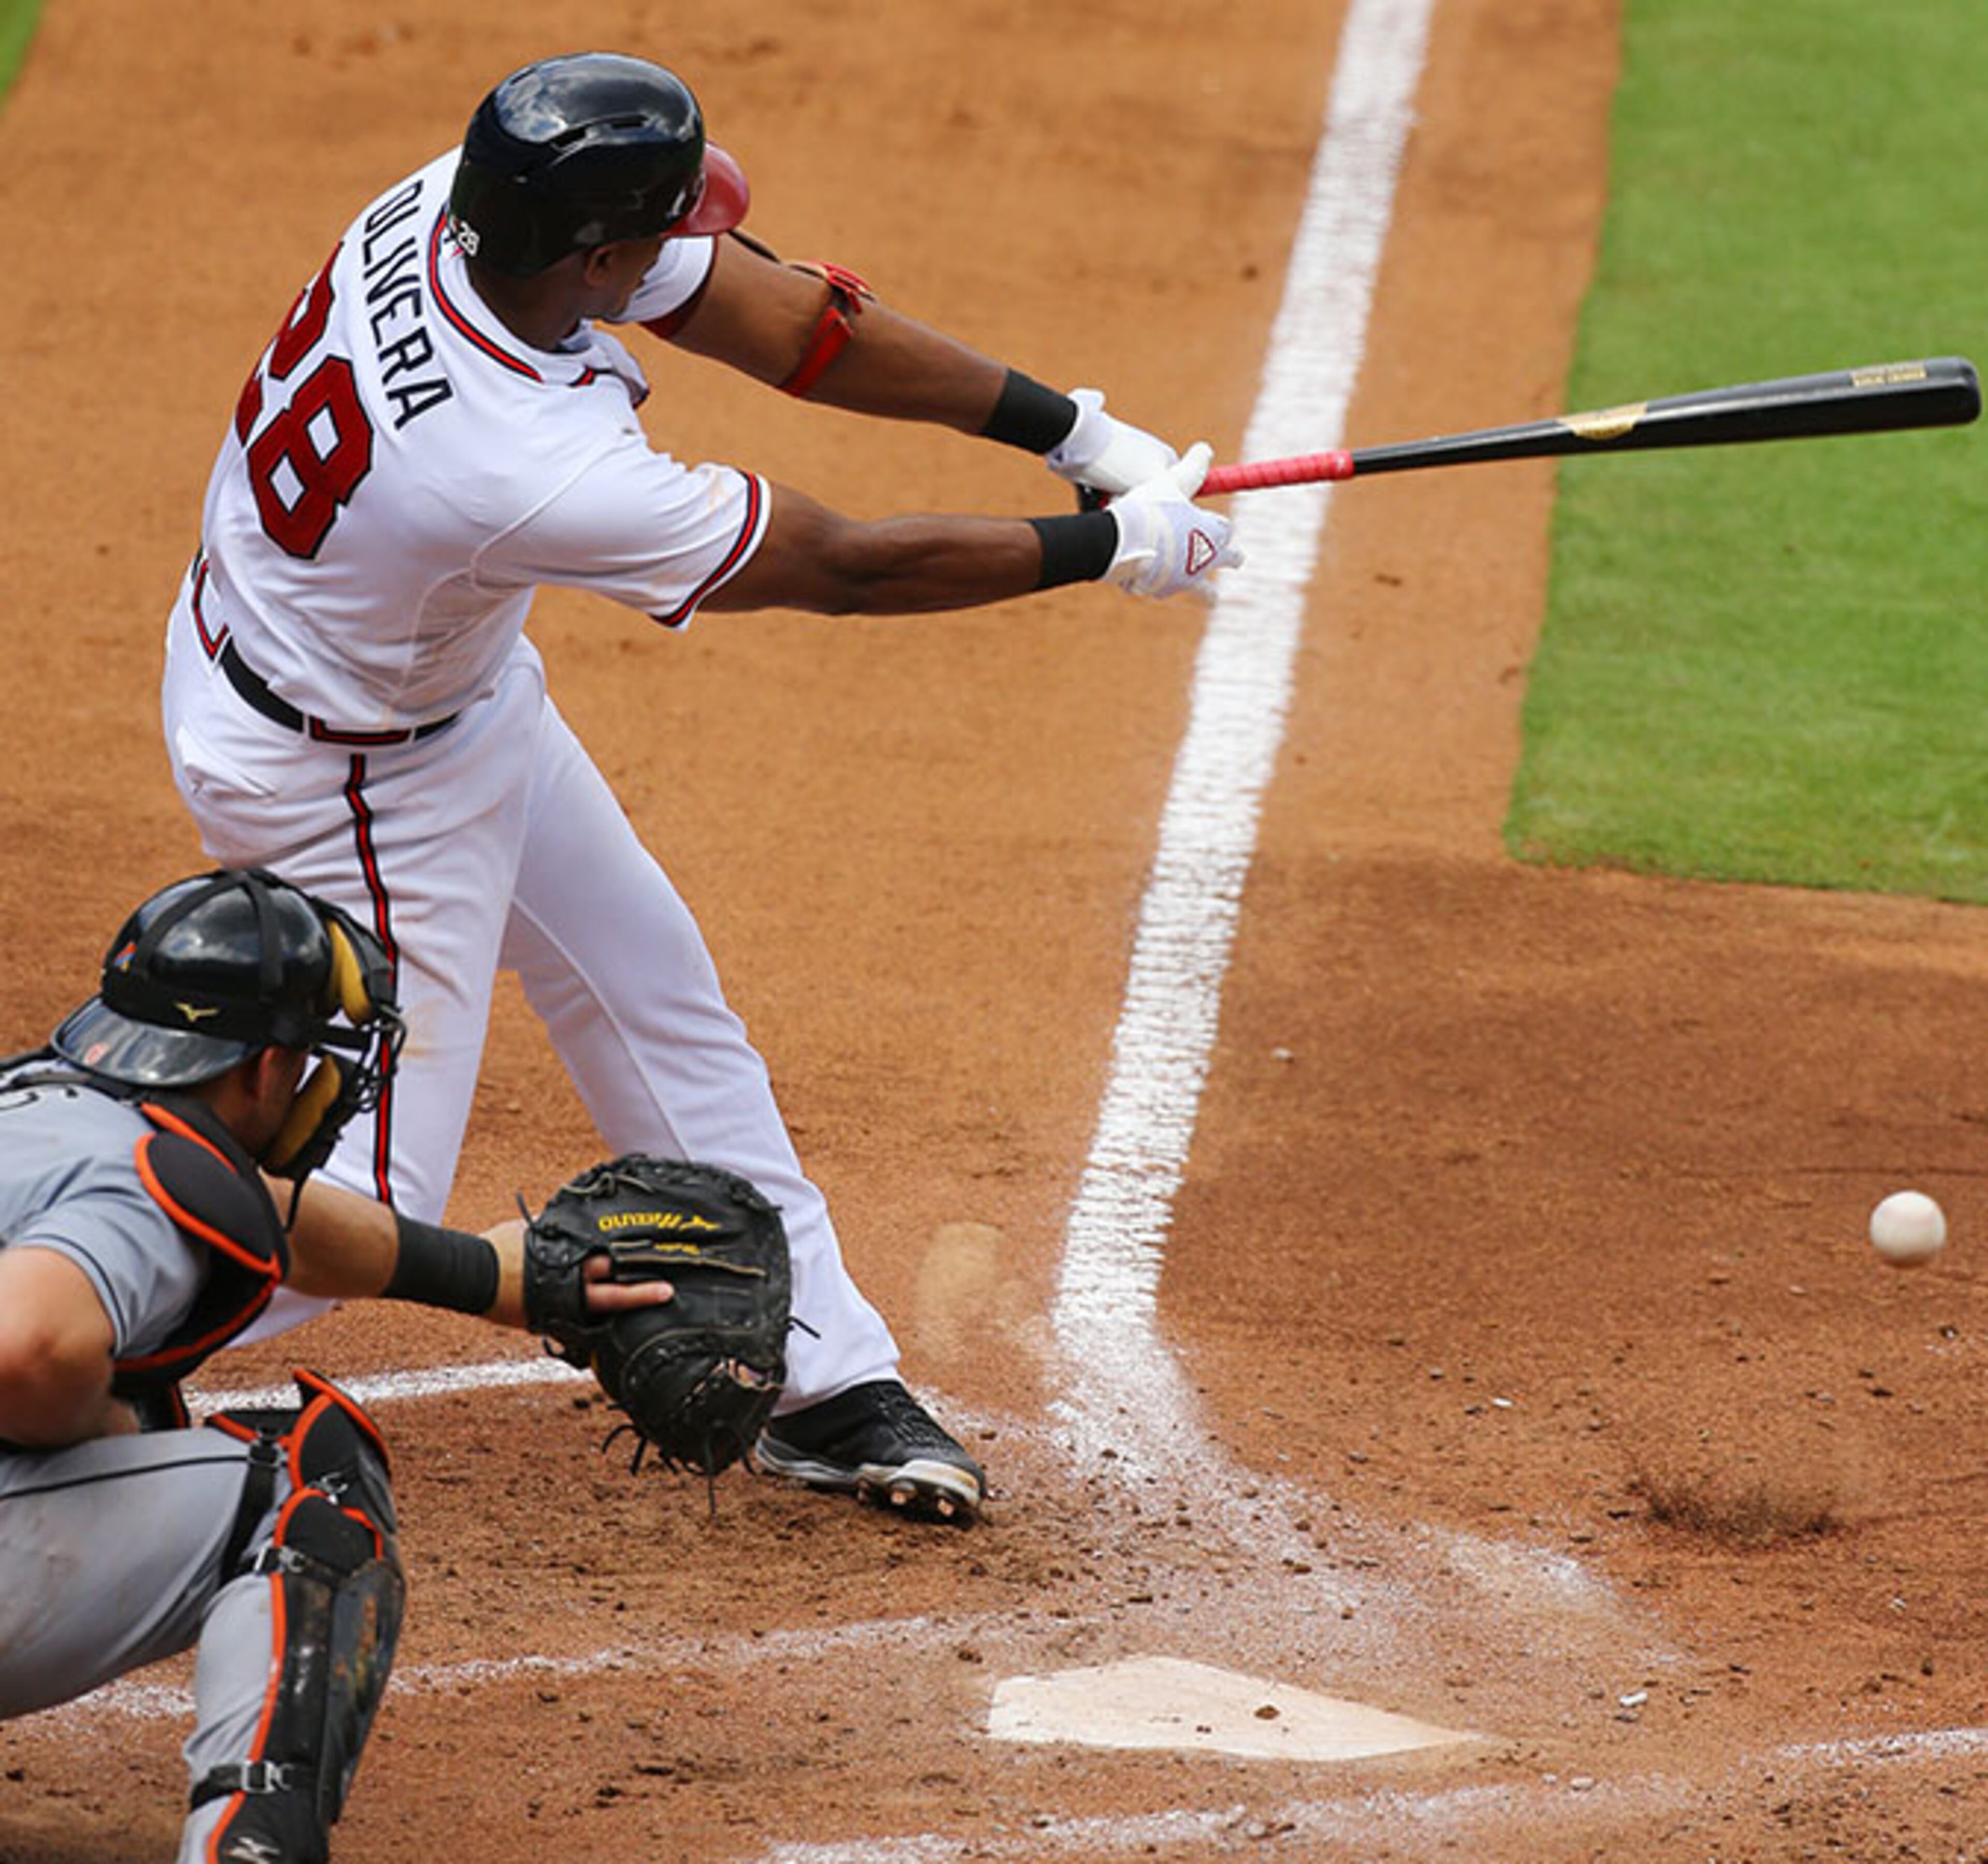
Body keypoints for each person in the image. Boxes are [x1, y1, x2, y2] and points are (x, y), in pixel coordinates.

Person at [159, 50, 1241, 1526]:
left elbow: (794, 321)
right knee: (372, 1197)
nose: (695, 243)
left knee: (648, 982)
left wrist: (1075, 434)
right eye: (666, 227)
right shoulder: (524, 464)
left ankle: (819, 1378)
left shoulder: (463, 209)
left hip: (400, 688)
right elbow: (845, 567)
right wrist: (1112, 551)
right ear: (598, 251)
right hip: (347, 777)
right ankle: (69, 1325)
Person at [0, 867, 675, 1864]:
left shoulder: (41, 1109)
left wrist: (492, 1275)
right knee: (305, 1488)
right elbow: (29, 1346)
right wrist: (81, 1419)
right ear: (267, 1070)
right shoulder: (134, 1186)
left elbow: (262, 1219)